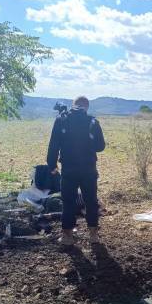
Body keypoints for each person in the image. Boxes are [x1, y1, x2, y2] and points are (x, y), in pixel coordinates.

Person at [47, 96, 105, 246]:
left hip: (68, 169)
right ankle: (93, 235)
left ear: (73, 105)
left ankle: (67, 237)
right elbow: (100, 147)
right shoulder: (93, 122)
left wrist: (52, 165)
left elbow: (53, 145)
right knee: (91, 201)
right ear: (87, 107)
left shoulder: (61, 120)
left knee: (68, 202)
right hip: (88, 169)